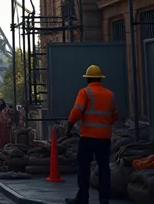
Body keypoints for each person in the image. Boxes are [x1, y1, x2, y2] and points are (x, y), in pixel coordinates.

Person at [64, 65, 118, 204]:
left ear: (88, 79)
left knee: (83, 167)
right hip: (105, 138)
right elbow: (114, 116)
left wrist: (69, 128)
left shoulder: (85, 93)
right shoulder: (110, 94)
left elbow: (76, 112)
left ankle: (82, 198)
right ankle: (104, 199)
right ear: (100, 78)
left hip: (87, 137)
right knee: (104, 168)